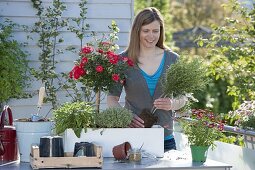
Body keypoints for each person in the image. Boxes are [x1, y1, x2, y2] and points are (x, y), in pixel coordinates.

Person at [107, 7, 187, 152]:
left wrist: (172, 104)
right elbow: (111, 99)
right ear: (137, 31)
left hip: (166, 141)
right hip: (132, 140)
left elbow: (183, 98)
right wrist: (126, 116)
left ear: (161, 32)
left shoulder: (173, 59)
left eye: (155, 31)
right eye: (146, 31)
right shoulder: (122, 61)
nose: (151, 36)